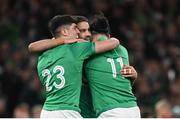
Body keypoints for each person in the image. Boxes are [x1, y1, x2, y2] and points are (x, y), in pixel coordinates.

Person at [30, 15, 119, 118]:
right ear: (64, 32)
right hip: (67, 112)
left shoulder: (42, 55)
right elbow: (112, 43)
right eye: (75, 28)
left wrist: (62, 41)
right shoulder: (76, 48)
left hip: (47, 111)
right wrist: (115, 40)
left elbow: (32, 47)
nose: (77, 32)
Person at [84, 13, 141, 118]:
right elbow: (116, 81)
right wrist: (134, 77)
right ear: (108, 35)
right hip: (133, 109)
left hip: (110, 112)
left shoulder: (87, 53)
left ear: (90, 34)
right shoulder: (123, 50)